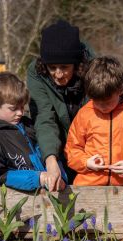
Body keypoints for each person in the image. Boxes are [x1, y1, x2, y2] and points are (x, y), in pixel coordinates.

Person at [27, 19, 94, 190]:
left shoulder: (93, 69)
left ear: (77, 65)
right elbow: (44, 117)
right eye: (52, 67)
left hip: (91, 147)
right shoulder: (36, 73)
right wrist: (51, 159)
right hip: (57, 142)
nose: (58, 74)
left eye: (64, 67)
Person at [64, 56, 123, 186]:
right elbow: (72, 149)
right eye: (97, 102)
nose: (102, 107)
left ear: (120, 90)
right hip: (88, 186)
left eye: (107, 102)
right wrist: (86, 162)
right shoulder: (84, 114)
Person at [0, 72, 66, 191]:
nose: (20, 113)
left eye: (22, 107)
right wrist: (37, 179)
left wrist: (60, 177)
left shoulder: (28, 125)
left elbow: (46, 153)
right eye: (13, 109)